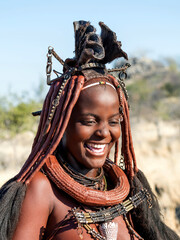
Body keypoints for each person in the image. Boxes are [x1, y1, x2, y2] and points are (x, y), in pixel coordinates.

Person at [0, 20, 179, 240]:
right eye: (89, 121)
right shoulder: (41, 190)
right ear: (61, 124)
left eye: (113, 121)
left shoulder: (124, 188)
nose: (104, 133)